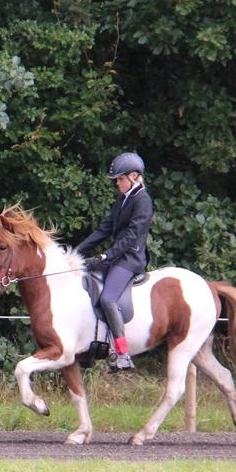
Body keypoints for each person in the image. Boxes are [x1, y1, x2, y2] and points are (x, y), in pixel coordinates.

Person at [74, 151, 152, 371]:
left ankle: (123, 353)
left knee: (108, 299)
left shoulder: (142, 200)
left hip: (130, 258)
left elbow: (132, 235)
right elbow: (105, 228)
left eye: (120, 178)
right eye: (116, 179)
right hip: (118, 255)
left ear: (134, 176)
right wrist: (77, 252)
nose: (117, 182)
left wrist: (107, 255)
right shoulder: (123, 198)